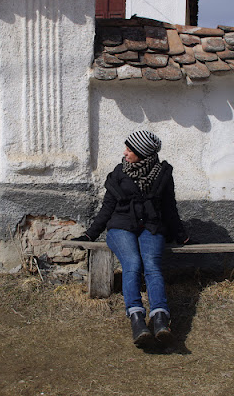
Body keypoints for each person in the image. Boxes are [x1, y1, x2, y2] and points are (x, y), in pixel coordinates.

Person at [72, 130, 189, 347]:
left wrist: (181, 236)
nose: (125, 153)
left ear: (142, 153)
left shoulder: (162, 174)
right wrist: (90, 234)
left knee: (152, 265)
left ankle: (160, 318)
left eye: (129, 149)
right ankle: (137, 319)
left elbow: (169, 208)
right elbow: (107, 208)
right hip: (120, 228)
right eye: (126, 148)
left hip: (151, 227)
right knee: (132, 264)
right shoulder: (119, 173)